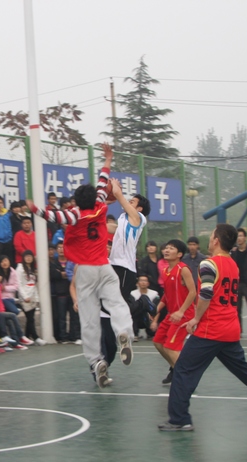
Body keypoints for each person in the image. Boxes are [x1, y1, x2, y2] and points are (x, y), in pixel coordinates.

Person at [159, 224, 247, 432]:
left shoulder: (209, 263)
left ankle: (179, 419)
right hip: (230, 329)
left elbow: (206, 293)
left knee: (183, 369)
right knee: (245, 371)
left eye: (212, 235)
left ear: (216, 241)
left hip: (210, 330)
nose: (210, 239)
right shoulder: (232, 264)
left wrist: (195, 318)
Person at [27, 142, 134, 388]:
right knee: (117, 303)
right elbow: (103, 179)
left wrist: (34, 208)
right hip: (105, 267)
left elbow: (53, 215)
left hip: (85, 270)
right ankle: (123, 332)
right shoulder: (100, 205)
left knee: (89, 319)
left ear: (76, 200)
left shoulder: (75, 214)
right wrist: (108, 158)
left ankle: (96, 361)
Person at [150, 240, 196, 385]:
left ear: (179, 254)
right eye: (166, 248)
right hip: (172, 314)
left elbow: (193, 292)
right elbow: (166, 295)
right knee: (158, 342)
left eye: (171, 248)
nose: (167, 250)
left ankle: (186, 379)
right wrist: (156, 309)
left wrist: (181, 311)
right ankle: (176, 369)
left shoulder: (183, 269)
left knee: (170, 347)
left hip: (184, 315)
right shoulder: (165, 271)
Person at [109, 188, 151, 305]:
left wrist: (114, 185)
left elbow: (118, 194)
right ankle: (138, 305)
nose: (128, 203)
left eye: (132, 202)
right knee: (110, 303)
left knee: (119, 304)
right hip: (114, 264)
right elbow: (111, 228)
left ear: (139, 208)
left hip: (125, 267)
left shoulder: (139, 218)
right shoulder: (124, 219)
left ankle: (142, 304)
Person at [230, 228, 247, 337]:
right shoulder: (233, 252)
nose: (239, 238)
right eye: (237, 236)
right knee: (237, 309)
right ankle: (238, 330)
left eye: (241, 236)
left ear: (245, 237)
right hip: (236, 284)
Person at [16, 250, 45, 345]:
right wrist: (24, 296)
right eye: (26, 256)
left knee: (30, 318)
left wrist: (36, 297)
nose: (28, 258)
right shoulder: (20, 268)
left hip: (33, 296)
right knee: (30, 318)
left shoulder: (32, 269)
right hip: (25, 297)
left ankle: (27, 337)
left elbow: (34, 284)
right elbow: (19, 284)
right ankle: (36, 337)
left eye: (30, 256)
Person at [130, 275, 159, 340]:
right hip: (137, 317)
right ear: (137, 283)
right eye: (141, 280)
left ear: (148, 283)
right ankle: (134, 333)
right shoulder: (132, 294)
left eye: (145, 281)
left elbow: (157, 309)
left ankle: (150, 333)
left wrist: (154, 322)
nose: (143, 282)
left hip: (150, 318)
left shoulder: (154, 293)